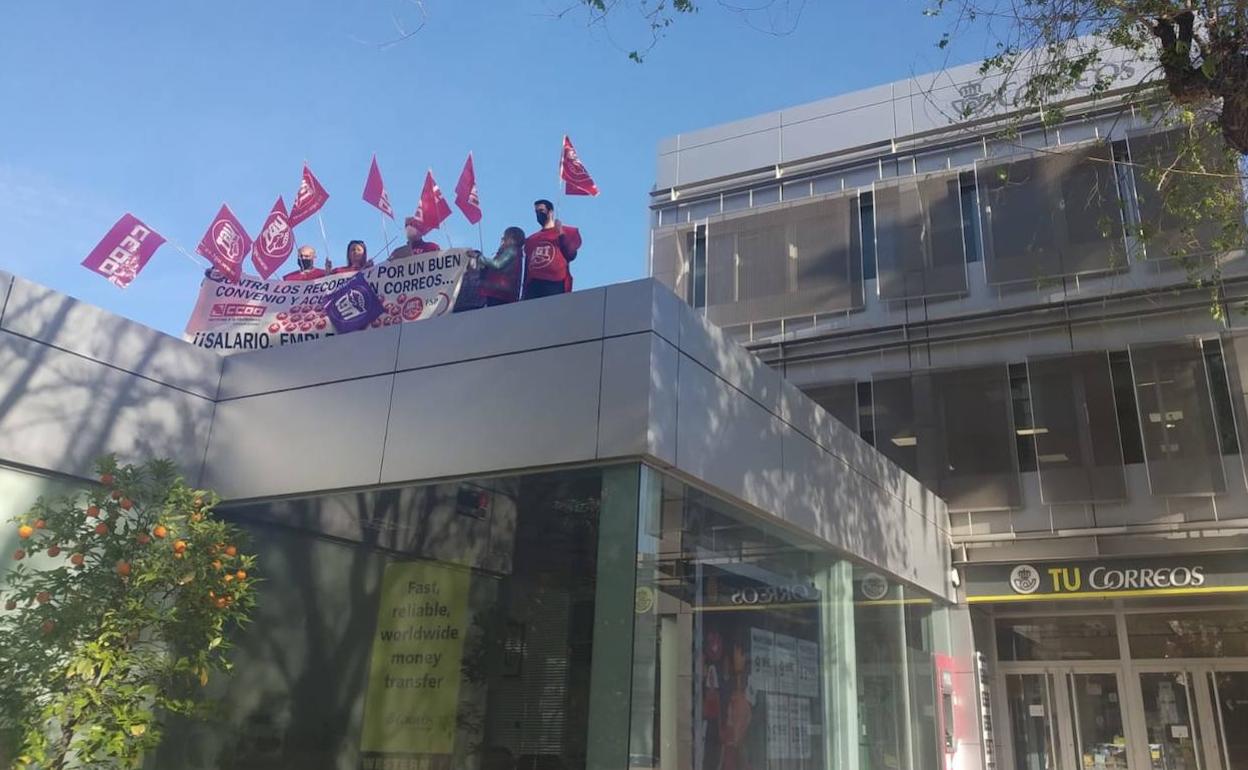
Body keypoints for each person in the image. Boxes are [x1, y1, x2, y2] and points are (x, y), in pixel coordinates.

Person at [522, 199, 581, 300]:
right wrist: (524, 291)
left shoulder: (568, 231)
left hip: (555, 282)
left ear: (550, 212)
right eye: (536, 212)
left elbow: (571, 254)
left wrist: (561, 233)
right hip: (533, 284)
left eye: (541, 210)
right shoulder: (531, 240)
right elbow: (527, 268)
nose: (538, 214)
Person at [477, 226, 526, 307]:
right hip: (502, 294)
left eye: (505, 237)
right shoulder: (514, 253)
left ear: (513, 239)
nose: (503, 239)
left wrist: (479, 258)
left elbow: (497, 264)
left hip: (500, 293)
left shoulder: (512, 250)